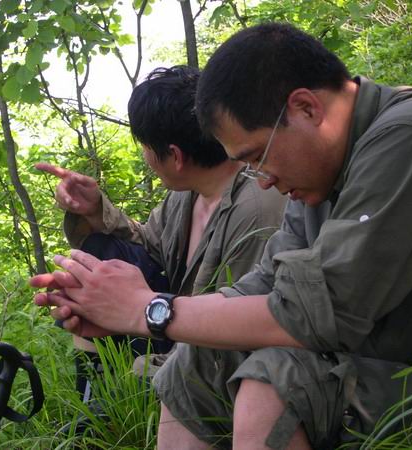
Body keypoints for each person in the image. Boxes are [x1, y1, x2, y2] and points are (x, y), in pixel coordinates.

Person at [31, 23, 412, 449]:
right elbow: (264, 285)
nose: (261, 180)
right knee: (195, 360)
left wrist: (148, 310)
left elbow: (320, 312)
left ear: (307, 108)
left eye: (257, 157)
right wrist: (123, 313)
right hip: (386, 367)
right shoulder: (316, 175)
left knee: (276, 379)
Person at [35, 66, 287, 399]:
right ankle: (94, 403)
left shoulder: (255, 211)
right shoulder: (188, 192)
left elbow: (235, 331)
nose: (145, 156)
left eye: (145, 147)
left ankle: (117, 401)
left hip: (213, 345)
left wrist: (142, 371)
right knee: (95, 258)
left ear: (176, 156)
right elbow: (150, 244)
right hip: (173, 321)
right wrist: (95, 210)